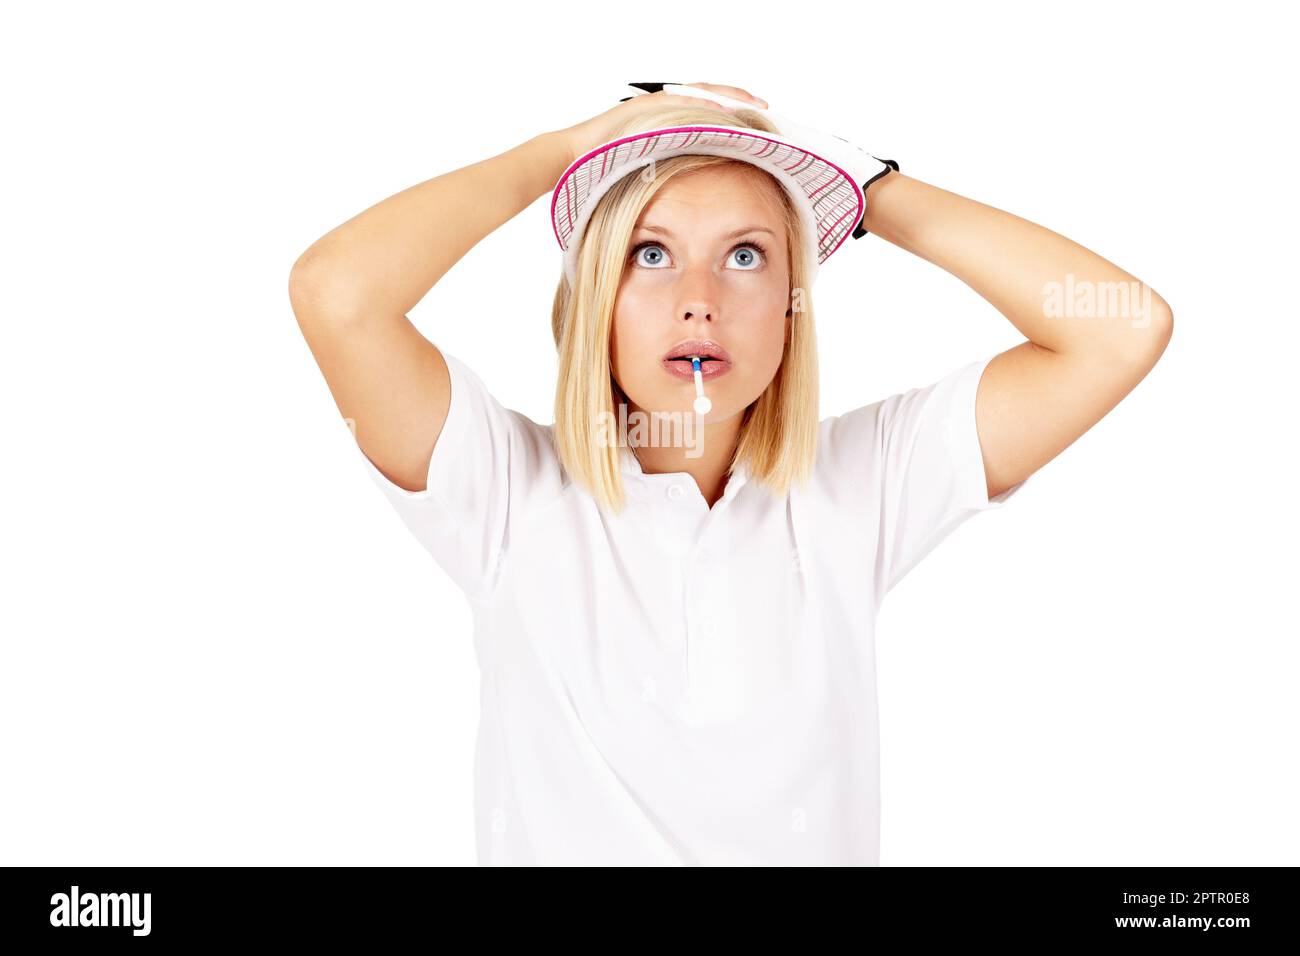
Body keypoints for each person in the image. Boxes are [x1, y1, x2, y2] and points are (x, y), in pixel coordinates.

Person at [288, 83, 1173, 865]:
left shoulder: (858, 489)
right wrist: (564, 153)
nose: (699, 297)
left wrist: (867, 188)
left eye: (746, 255)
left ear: (794, 312)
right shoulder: (507, 494)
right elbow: (338, 293)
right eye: (650, 252)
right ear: (596, 298)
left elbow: (1121, 328)